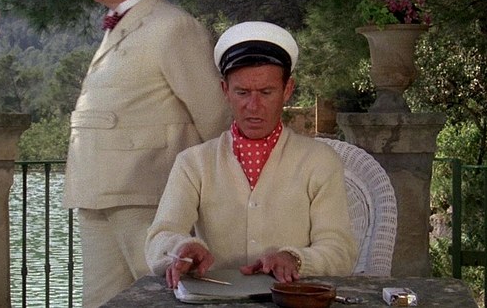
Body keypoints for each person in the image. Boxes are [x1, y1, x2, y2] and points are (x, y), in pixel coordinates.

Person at [62, 0, 230, 307]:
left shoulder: (173, 27)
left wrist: (218, 189)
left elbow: (215, 114)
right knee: (100, 301)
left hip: (147, 195)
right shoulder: (120, 27)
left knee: (165, 297)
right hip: (95, 194)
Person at [145, 21, 358, 289]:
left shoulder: (320, 161)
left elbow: (340, 250)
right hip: (215, 302)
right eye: (242, 92)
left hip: (292, 301)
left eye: (266, 92)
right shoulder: (193, 163)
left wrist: (295, 259)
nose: (253, 106)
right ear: (225, 90)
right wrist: (181, 248)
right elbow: (160, 236)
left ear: (287, 90)